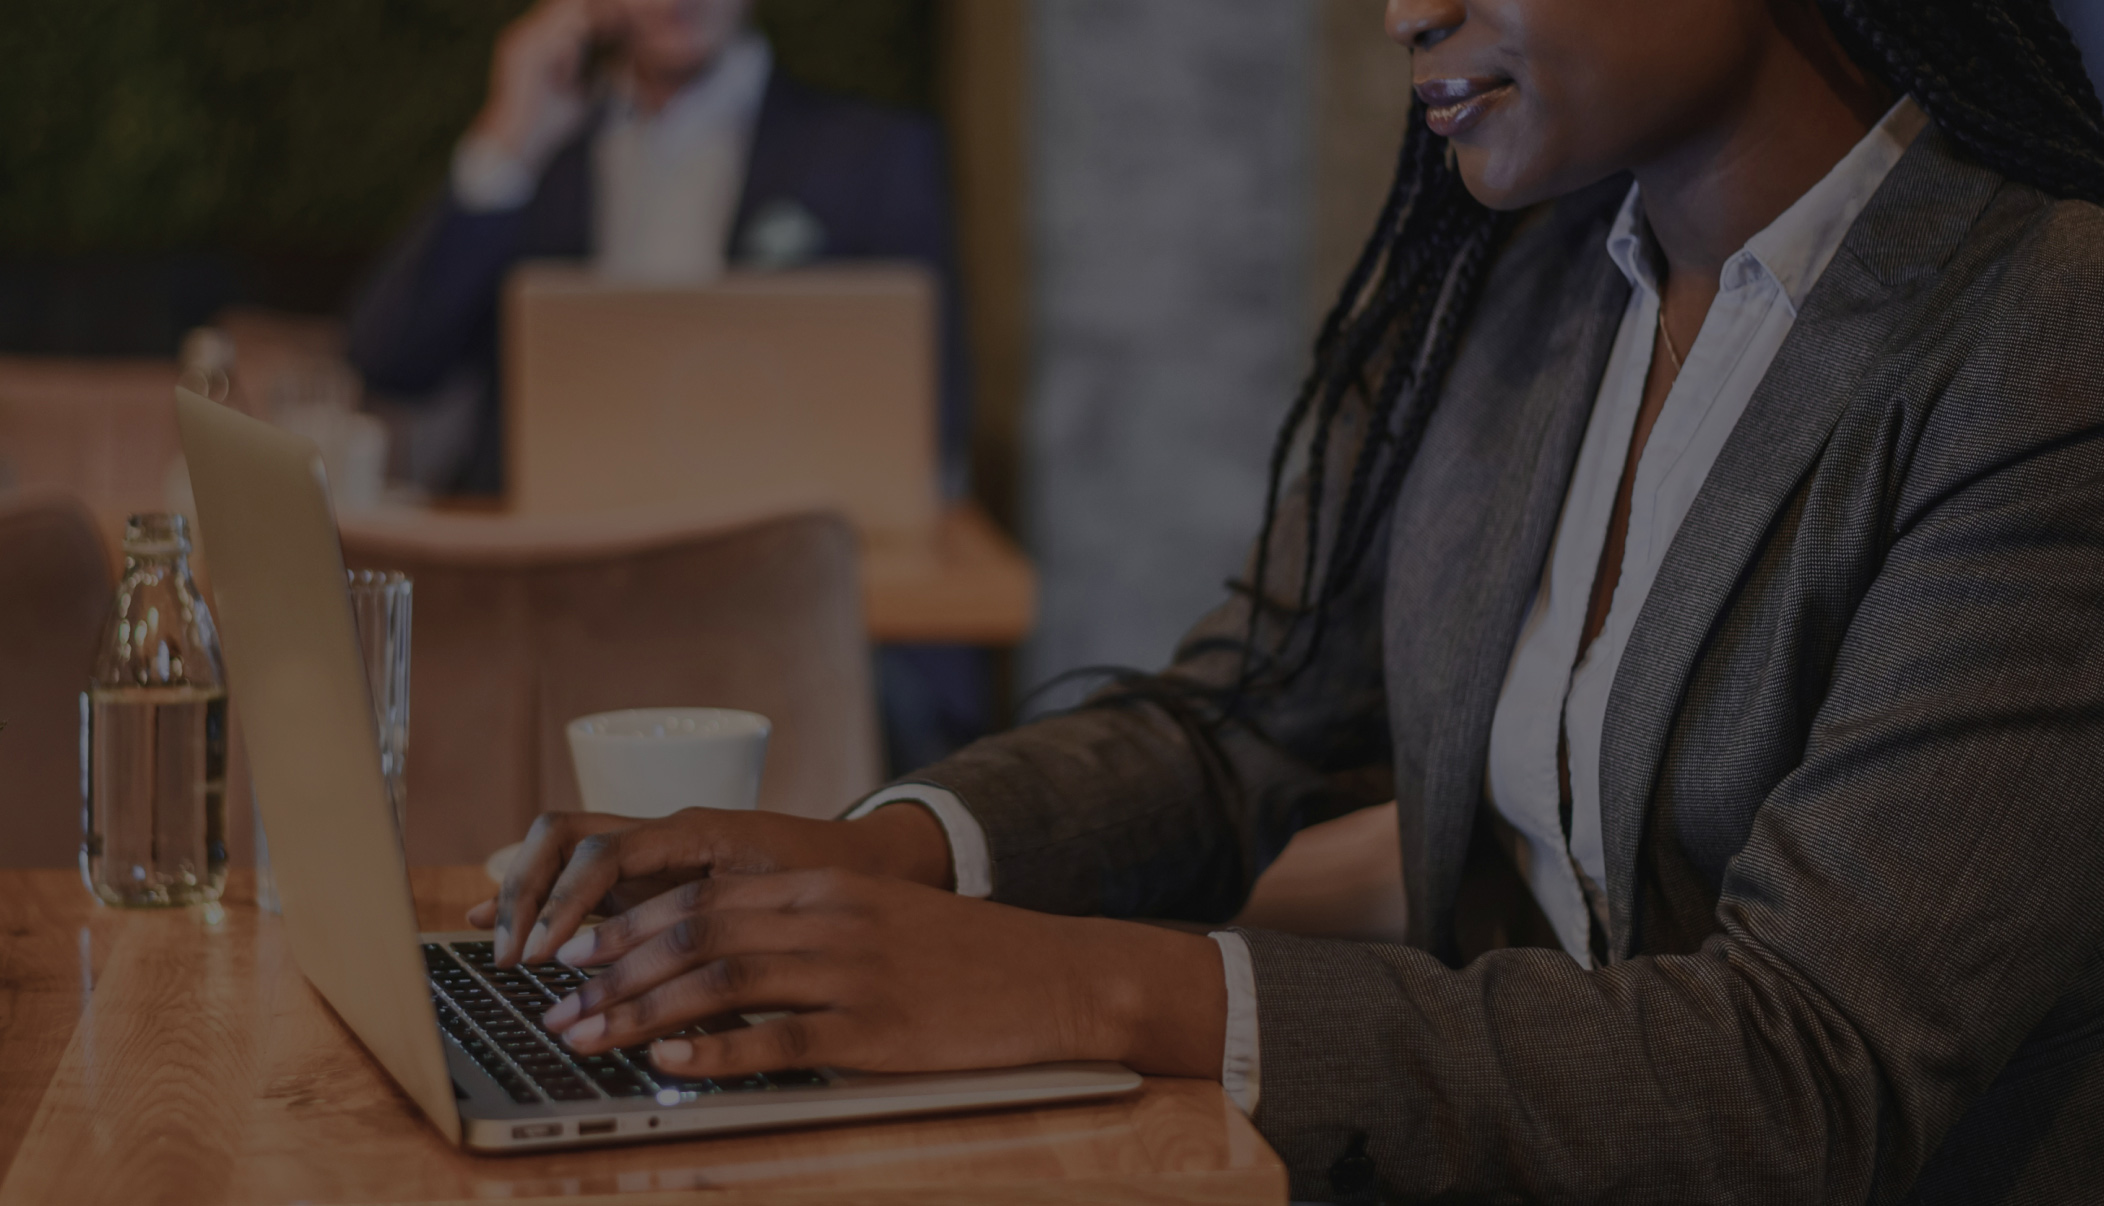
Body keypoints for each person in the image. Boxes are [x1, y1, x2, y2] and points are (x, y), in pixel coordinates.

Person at [471, 0, 2104, 1199]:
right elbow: (1238, 722)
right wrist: (885, 854)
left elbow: (1806, 1068)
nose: (1407, 15)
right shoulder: (1520, 285)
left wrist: (1085, 978)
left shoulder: (2042, 340)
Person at [349, 0, 985, 770]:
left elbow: (932, 418)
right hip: (558, 605)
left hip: (772, 603)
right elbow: (390, 360)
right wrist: (507, 140)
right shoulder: (544, 152)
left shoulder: (875, 153)